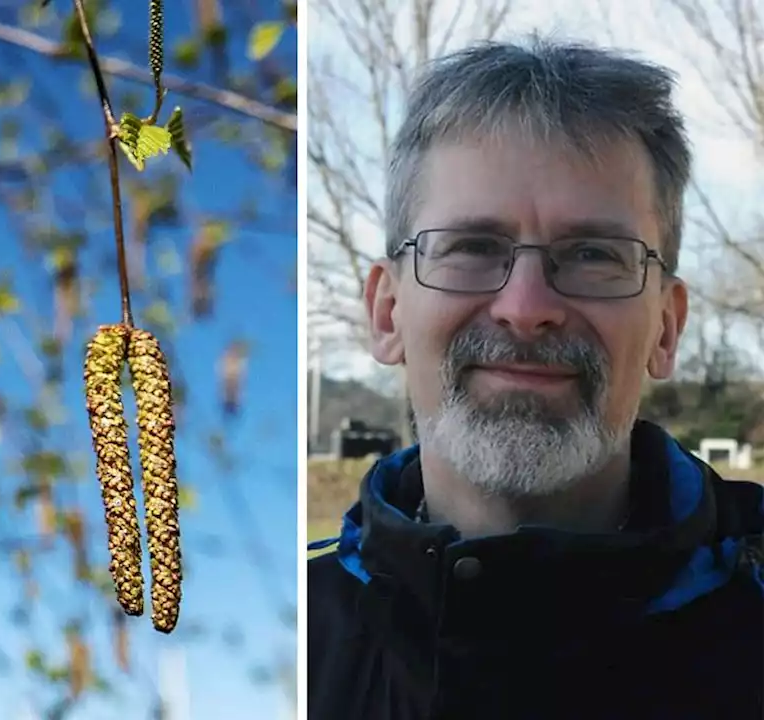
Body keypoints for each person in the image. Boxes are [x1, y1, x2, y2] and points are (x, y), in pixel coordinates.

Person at [307, 37, 764, 720]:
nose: (526, 310)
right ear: (387, 311)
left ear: (666, 329)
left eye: (591, 255)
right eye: (471, 248)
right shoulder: (301, 634)